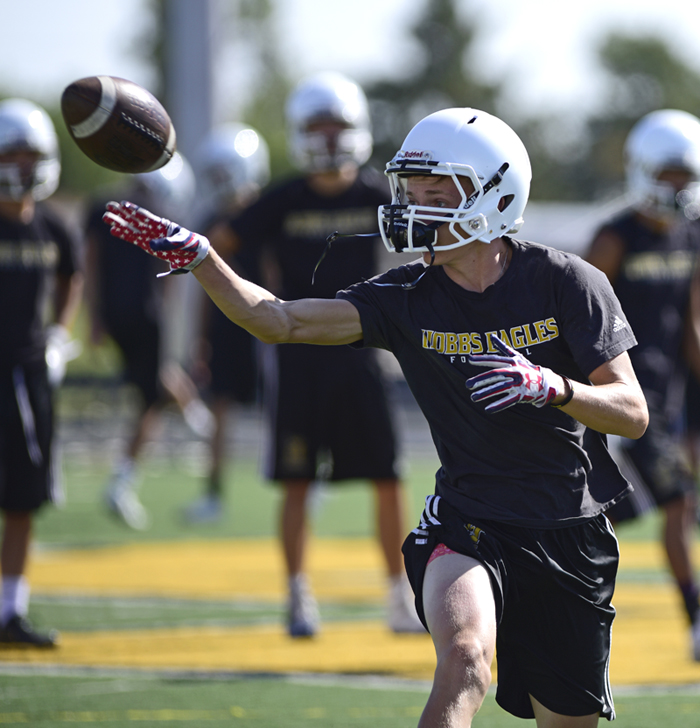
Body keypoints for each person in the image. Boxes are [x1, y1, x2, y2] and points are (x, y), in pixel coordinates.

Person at [103, 106, 649, 727]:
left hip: (567, 529)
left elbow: (632, 414)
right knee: (466, 658)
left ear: (494, 193)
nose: (414, 208)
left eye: (436, 193)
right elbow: (278, 319)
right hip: (470, 521)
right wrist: (203, 257)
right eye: (411, 192)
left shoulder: (566, 282)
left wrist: (554, 387)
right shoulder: (405, 298)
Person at [194, 72, 423, 636]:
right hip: (297, 356)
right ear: (300, 134)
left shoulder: (377, 193)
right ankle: (298, 596)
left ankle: (398, 596)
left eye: (336, 126)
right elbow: (219, 248)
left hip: (361, 351)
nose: (327, 139)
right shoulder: (280, 199)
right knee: (296, 480)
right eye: (317, 128)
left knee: (387, 478)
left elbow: (432, 243)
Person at [586, 108, 700, 661]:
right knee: (679, 501)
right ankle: (697, 618)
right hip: (629, 392)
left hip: (673, 391)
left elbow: (692, 323)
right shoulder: (616, 237)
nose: (676, 188)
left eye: (685, 175)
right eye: (667, 175)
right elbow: (574, 311)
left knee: (624, 510)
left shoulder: (693, 234)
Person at [85, 152, 213, 531]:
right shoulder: (159, 213)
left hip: (116, 315)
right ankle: (123, 479)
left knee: (155, 383)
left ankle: (194, 416)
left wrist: (95, 317)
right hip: (145, 314)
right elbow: (171, 276)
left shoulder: (102, 206)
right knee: (151, 398)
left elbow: (89, 264)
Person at [0, 99, 83, 646]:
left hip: (31, 371)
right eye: (14, 154)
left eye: (33, 155)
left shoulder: (53, 224)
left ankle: (10, 611)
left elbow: (73, 276)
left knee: (25, 496)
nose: (25, 166)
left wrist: (58, 332)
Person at [182, 123, 271, 524]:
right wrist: (200, 338)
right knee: (221, 409)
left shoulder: (268, 213)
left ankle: (306, 477)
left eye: (224, 171)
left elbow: (278, 273)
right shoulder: (210, 218)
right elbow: (203, 286)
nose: (220, 182)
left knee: (283, 404)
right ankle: (214, 494)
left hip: (273, 320)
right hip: (226, 325)